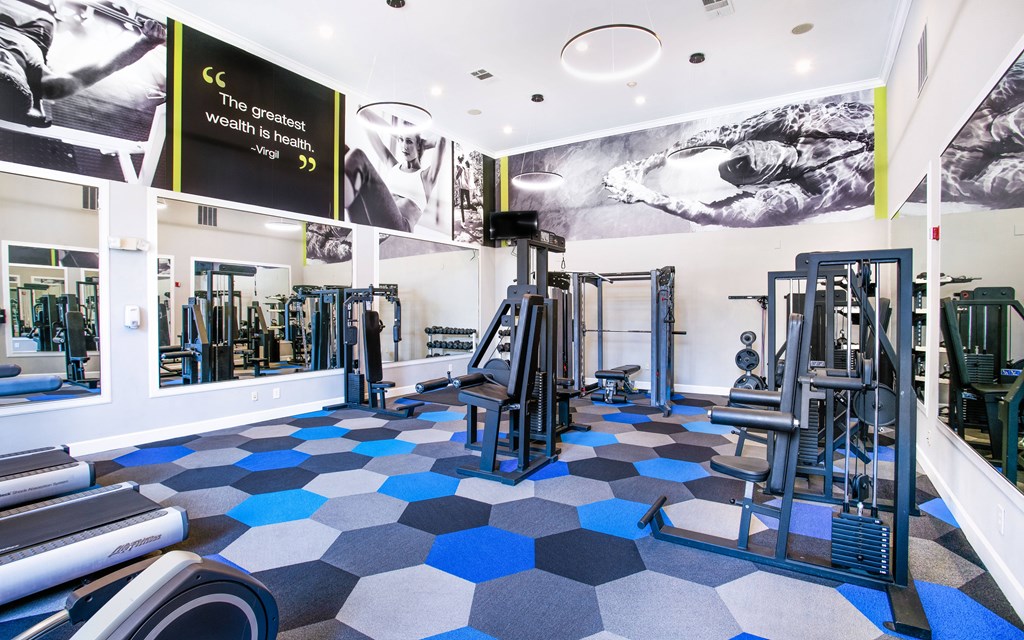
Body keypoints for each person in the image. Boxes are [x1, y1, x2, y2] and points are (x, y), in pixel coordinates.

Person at [602, 101, 875, 227]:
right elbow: (711, 214)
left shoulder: (802, 122)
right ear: (759, 182)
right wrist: (646, 195)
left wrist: (647, 164)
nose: (738, 160)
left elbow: (723, 134)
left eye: (734, 156)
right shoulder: (808, 191)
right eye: (739, 170)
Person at [0, 0, 166, 127]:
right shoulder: (50, 85)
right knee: (46, 13)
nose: (2, 53)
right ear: (27, 84)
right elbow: (109, 65)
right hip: (33, 36)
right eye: (5, 61)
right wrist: (146, 42)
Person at [344, 109, 447, 232]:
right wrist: (399, 133)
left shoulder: (426, 177)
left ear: (418, 145)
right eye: (401, 140)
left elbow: (441, 140)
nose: (404, 146)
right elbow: (364, 115)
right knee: (348, 154)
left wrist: (422, 144)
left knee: (358, 156)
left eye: (409, 142)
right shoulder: (392, 165)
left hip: (400, 227)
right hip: (373, 221)